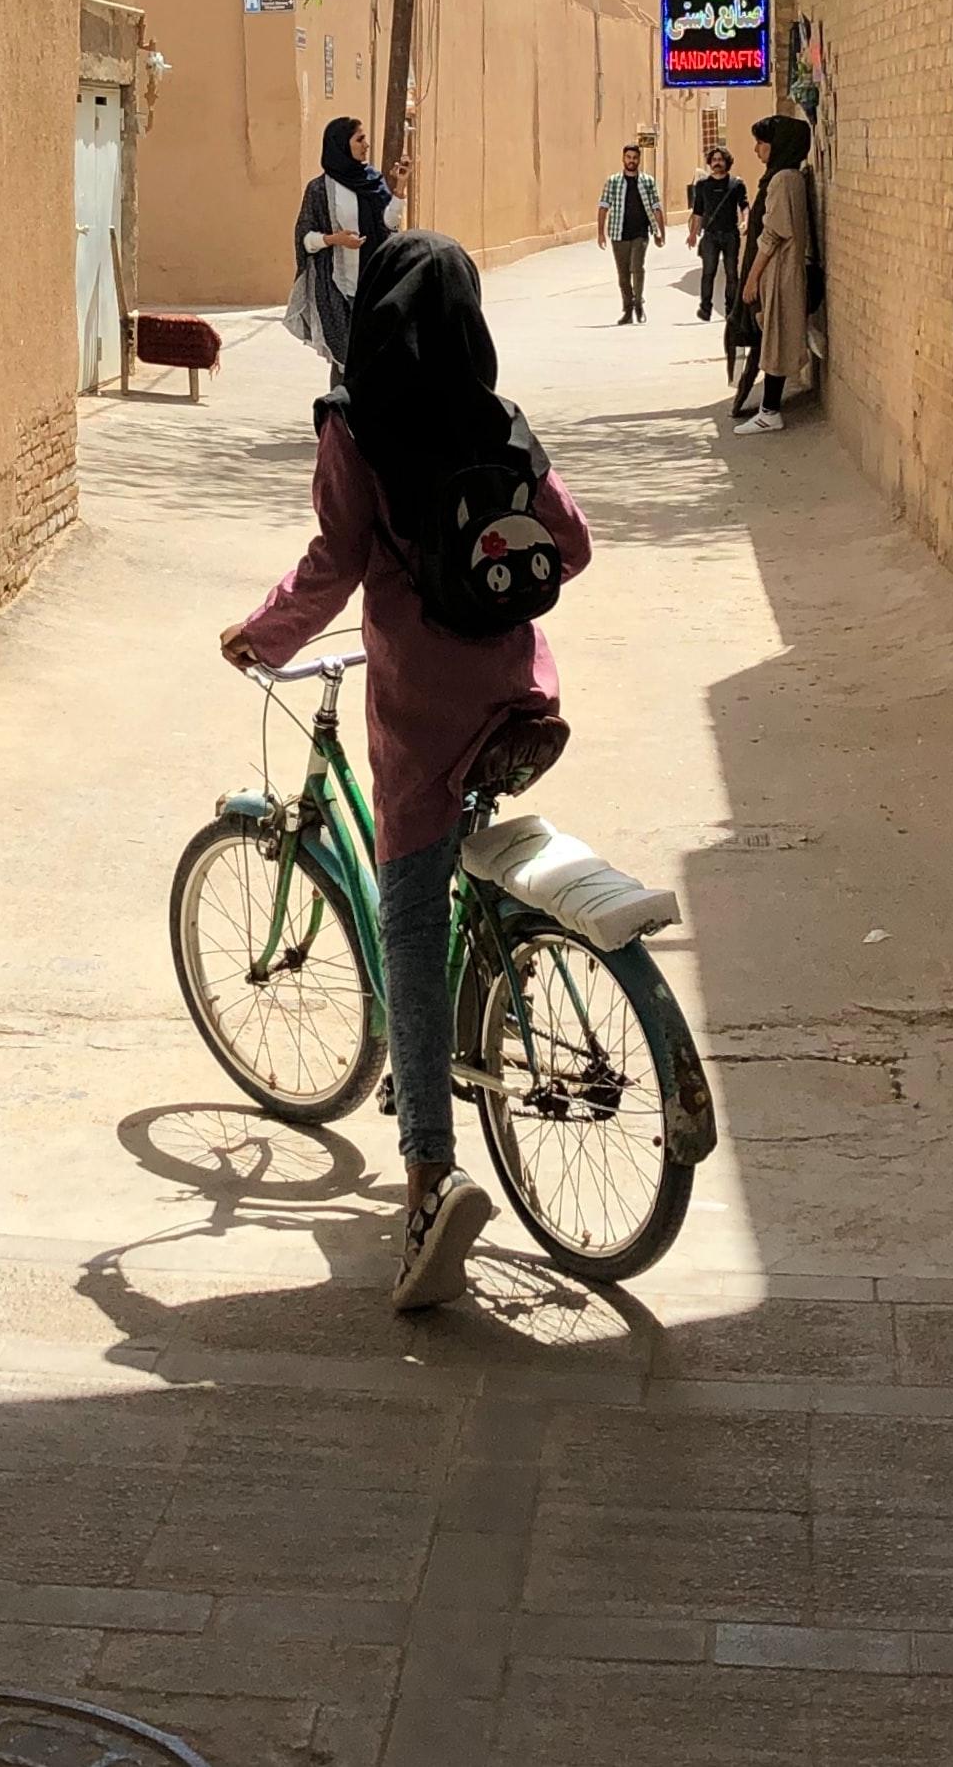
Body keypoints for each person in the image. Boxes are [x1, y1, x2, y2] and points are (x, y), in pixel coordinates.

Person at [222, 231, 593, 1311]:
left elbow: (332, 564)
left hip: (420, 712)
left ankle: (430, 1171)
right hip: (520, 694)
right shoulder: (498, 419)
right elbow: (569, 547)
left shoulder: (355, 424)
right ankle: (511, 972)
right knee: (461, 873)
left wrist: (262, 635)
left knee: (411, 923)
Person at [289, 115, 400, 364]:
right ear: (341, 144)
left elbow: (390, 225)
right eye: (359, 139)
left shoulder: (374, 181)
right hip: (336, 288)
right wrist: (334, 239)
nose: (366, 145)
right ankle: (339, 404)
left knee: (373, 358)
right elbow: (305, 239)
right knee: (344, 360)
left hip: (373, 284)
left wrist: (400, 189)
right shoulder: (319, 189)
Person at [735, 113, 817, 433]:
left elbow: (772, 234)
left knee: (776, 339)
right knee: (774, 336)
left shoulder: (783, 180)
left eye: (761, 143)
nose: (757, 149)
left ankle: (770, 411)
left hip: (779, 272)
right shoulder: (789, 177)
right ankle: (769, 410)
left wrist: (753, 278)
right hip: (781, 270)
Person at [596, 140, 664, 324]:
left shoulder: (648, 182)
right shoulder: (613, 182)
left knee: (637, 267)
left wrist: (660, 232)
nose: (631, 160)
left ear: (639, 159)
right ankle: (628, 309)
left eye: (634, 157)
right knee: (623, 274)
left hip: (640, 233)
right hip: (618, 234)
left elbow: (656, 207)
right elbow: (603, 206)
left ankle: (638, 302)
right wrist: (600, 233)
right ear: (623, 159)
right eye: (628, 157)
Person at [685, 143, 746, 324]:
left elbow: (744, 206)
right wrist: (693, 234)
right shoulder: (703, 186)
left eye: (720, 160)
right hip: (710, 235)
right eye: (714, 160)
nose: (717, 163)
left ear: (727, 162)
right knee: (708, 273)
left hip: (730, 235)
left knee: (731, 274)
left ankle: (731, 309)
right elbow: (698, 212)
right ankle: (705, 308)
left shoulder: (736, 184)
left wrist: (746, 221)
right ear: (710, 163)